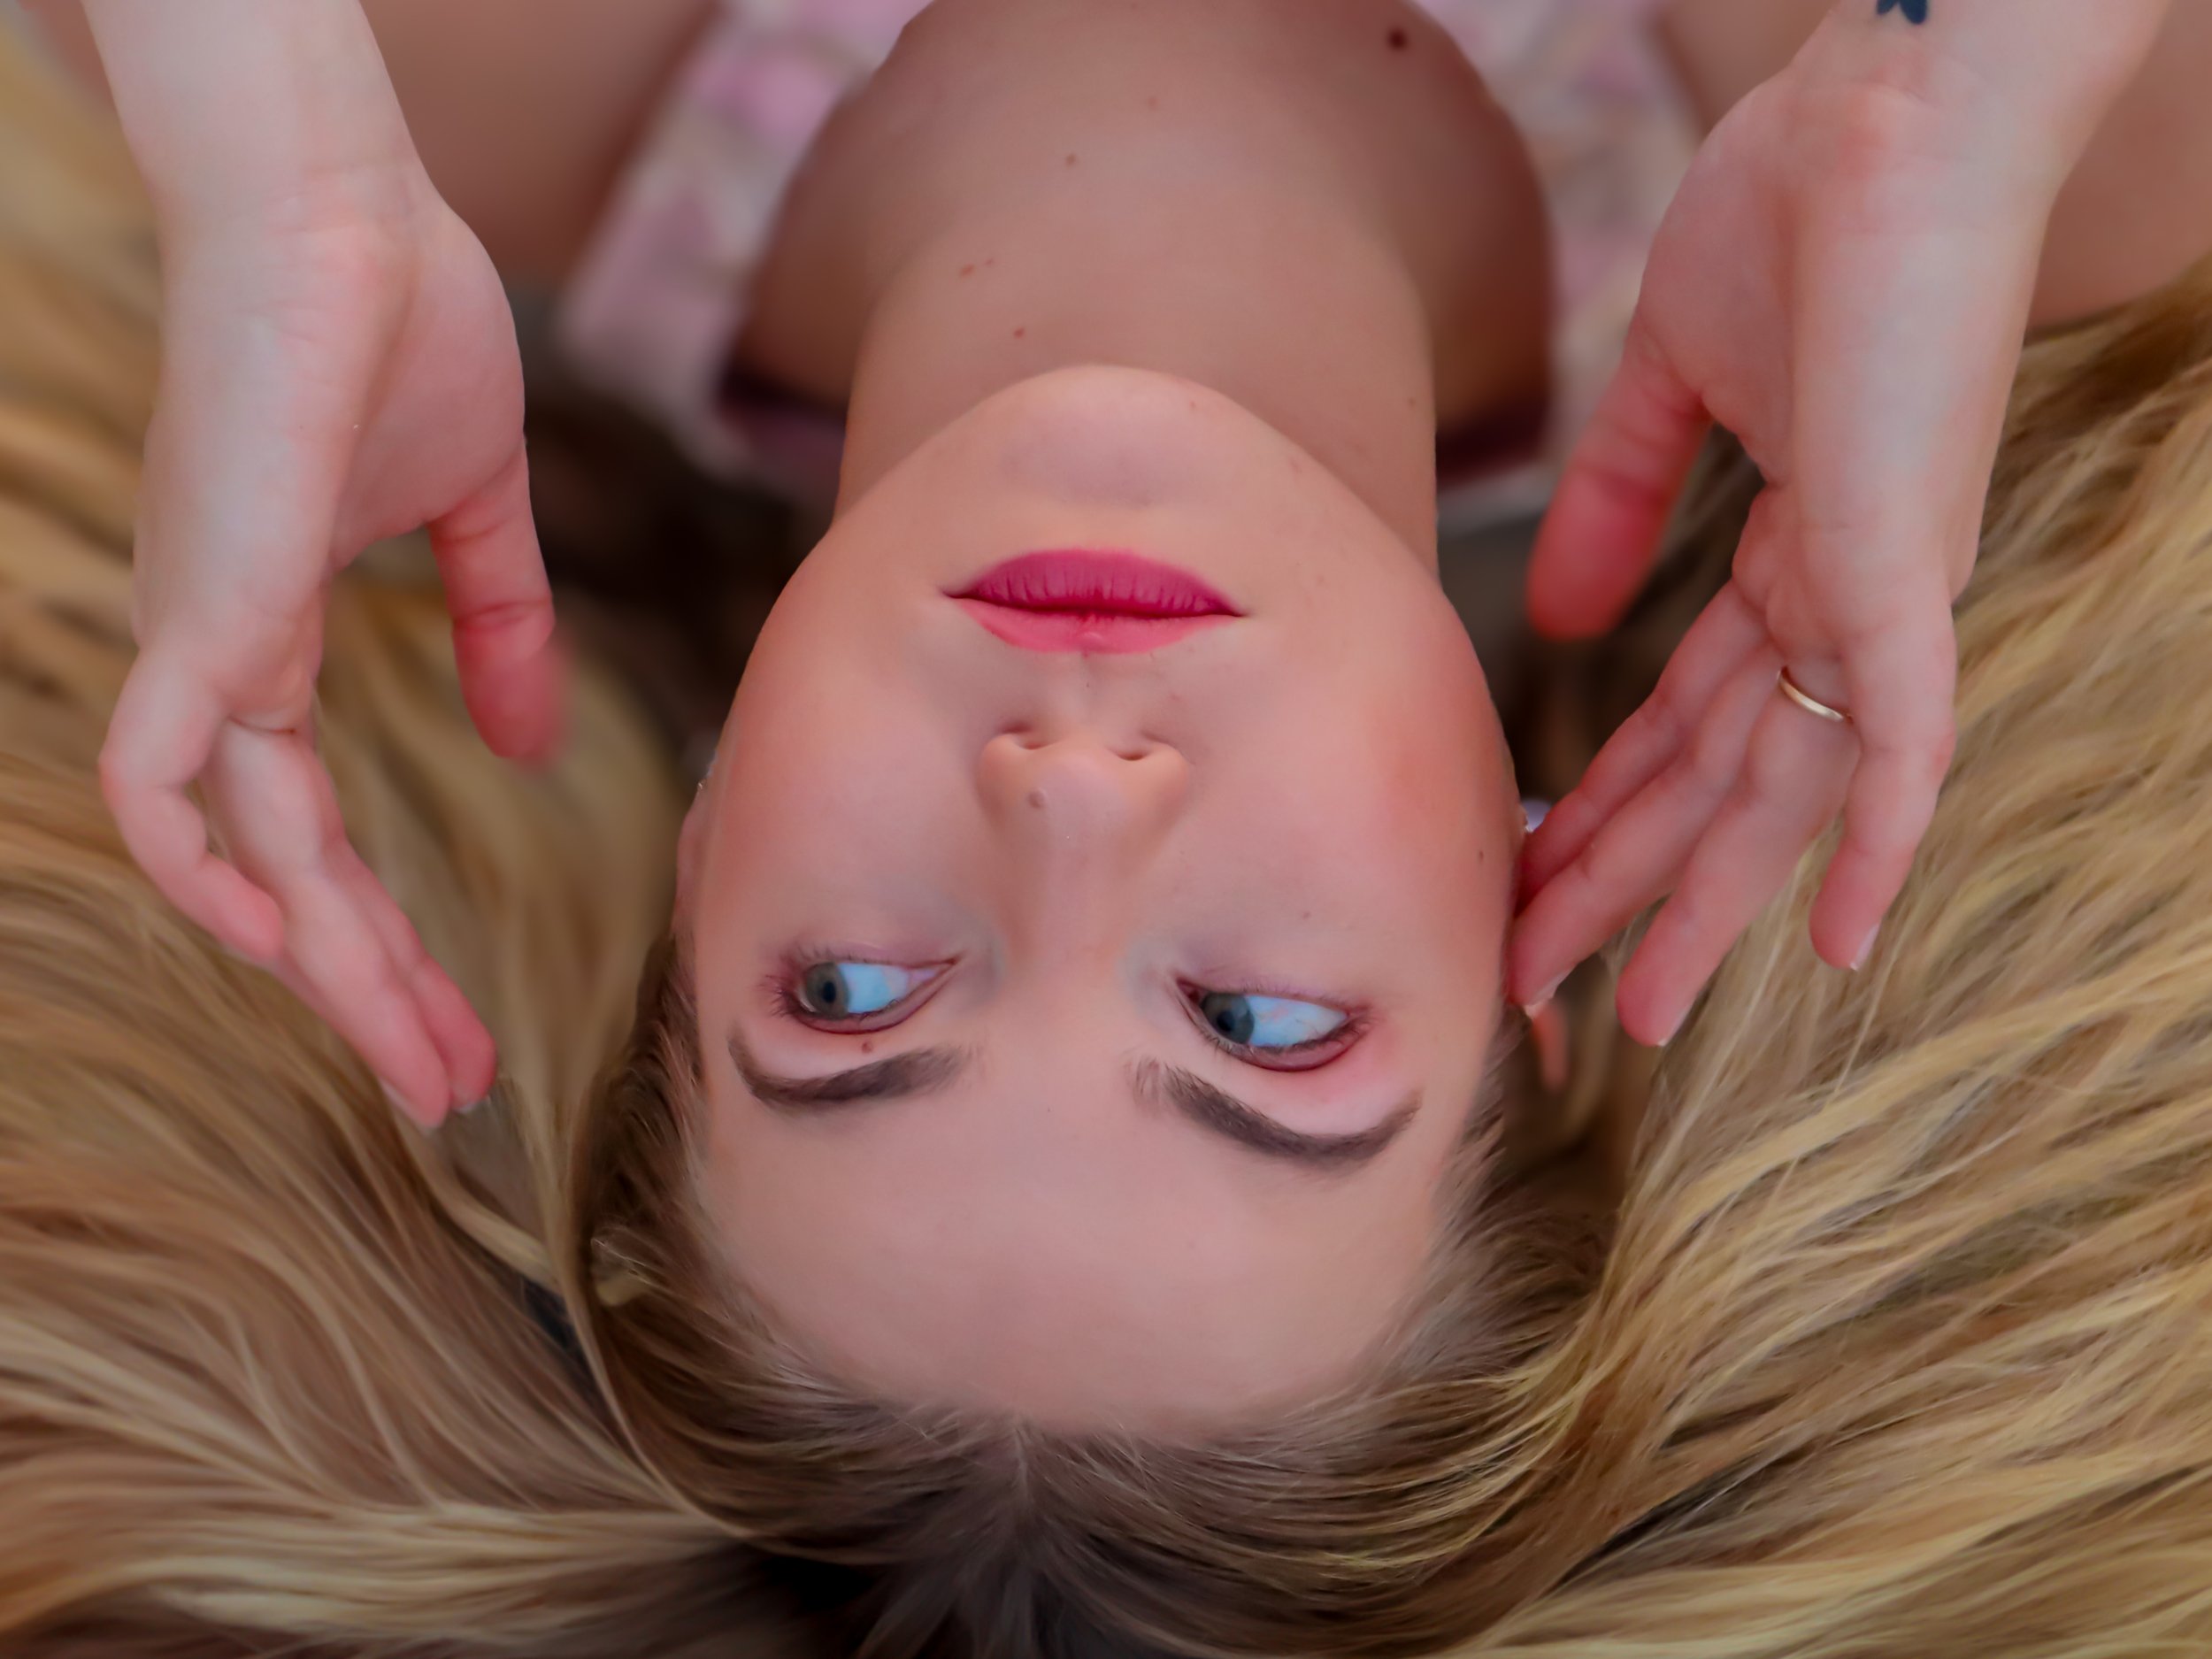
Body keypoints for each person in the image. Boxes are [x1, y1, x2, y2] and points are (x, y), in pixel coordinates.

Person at [12, 4, 2212, 1655]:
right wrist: (1953, 103)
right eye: (1256, 1018)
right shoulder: (2010, 140)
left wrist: (267, 147)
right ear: (1531, 936)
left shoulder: (371, 90)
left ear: (695, 875)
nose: (1064, 813)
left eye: (853, 994)